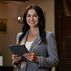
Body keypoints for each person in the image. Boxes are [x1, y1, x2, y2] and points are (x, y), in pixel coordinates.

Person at [12, 4, 59, 71]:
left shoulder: (49, 36)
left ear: (40, 17)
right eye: (29, 16)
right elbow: (19, 63)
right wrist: (16, 61)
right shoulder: (20, 36)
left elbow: (55, 61)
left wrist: (37, 59)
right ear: (25, 18)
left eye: (35, 16)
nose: (31, 19)